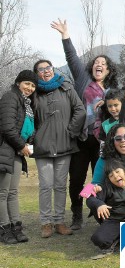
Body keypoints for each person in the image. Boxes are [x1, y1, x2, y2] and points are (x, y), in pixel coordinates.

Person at [51, 18, 119, 230]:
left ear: (108, 70)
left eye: (104, 64)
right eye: (97, 63)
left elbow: (119, 112)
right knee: (77, 178)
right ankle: (77, 214)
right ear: (92, 67)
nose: (99, 65)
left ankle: (102, 211)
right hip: (82, 138)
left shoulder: (112, 90)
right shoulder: (83, 80)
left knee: (101, 179)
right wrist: (65, 35)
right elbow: (71, 58)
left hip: (103, 141)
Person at [32, 60, 87, 238]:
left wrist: (71, 131)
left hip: (65, 145)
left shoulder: (66, 87)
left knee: (61, 186)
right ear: (36, 73)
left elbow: (80, 110)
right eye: (41, 69)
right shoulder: (34, 92)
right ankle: (46, 223)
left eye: (48, 68)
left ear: (53, 69)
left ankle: (59, 221)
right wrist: (34, 137)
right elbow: (27, 117)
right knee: (46, 186)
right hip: (43, 147)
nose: (46, 71)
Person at [0, 70, 39, 244]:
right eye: (27, 83)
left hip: (15, 152)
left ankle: (16, 226)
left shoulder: (26, 104)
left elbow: (24, 129)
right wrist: (22, 146)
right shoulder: (10, 98)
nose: (30, 88)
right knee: (2, 193)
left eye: (32, 85)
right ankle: (4, 229)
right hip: (5, 150)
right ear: (18, 83)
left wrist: (27, 143)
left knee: (13, 192)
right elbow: (7, 128)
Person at [86, 158, 125, 255]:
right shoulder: (105, 187)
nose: (116, 176)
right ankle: (119, 238)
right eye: (111, 175)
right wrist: (99, 204)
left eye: (117, 172)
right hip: (114, 220)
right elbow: (89, 198)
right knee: (98, 239)